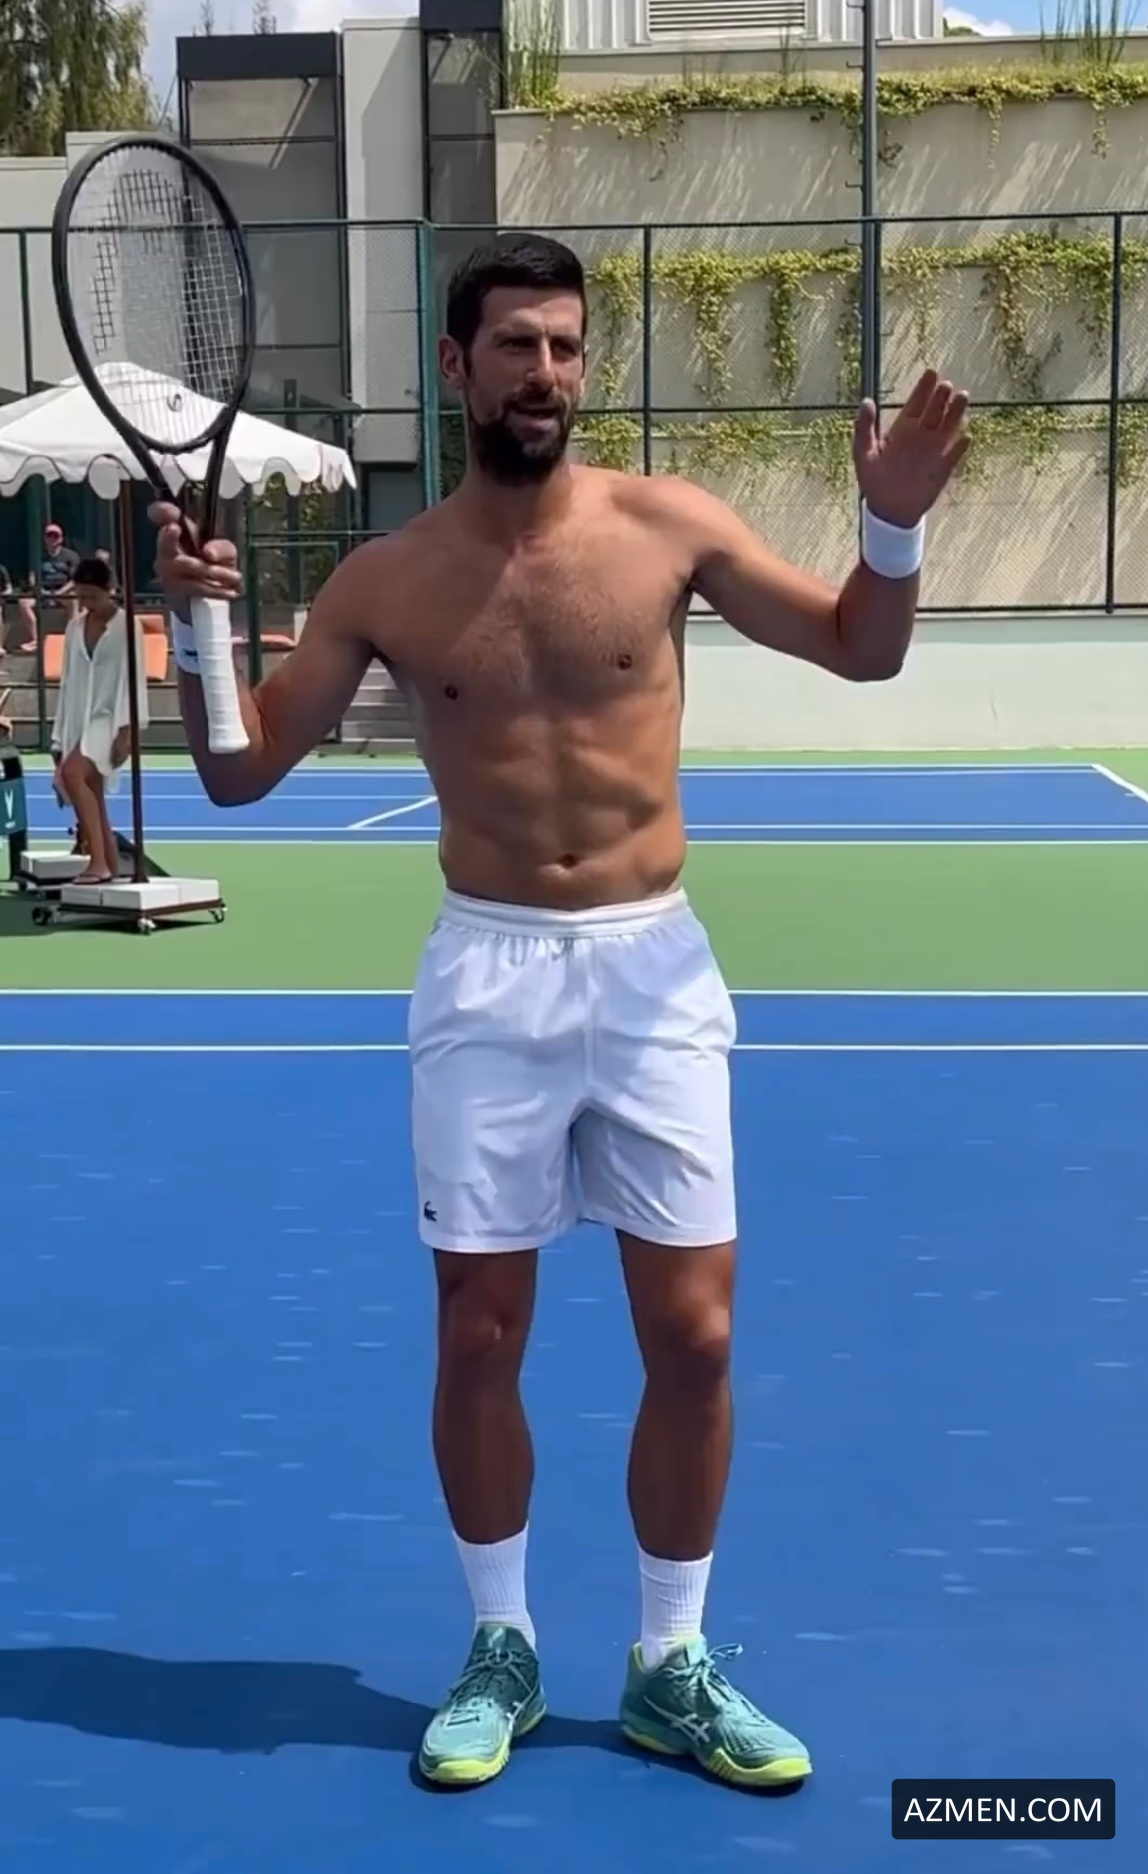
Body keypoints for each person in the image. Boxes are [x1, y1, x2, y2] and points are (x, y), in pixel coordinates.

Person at [150, 233, 969, 1793]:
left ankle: (670, 1661)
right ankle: (501, 1643)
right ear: (454, 365)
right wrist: (194, 623)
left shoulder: (667, 527)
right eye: (517, 345)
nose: (546, 372)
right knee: (478, 1333)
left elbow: (862, 647)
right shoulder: (384, 579)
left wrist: (891, 521)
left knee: (696, 1337)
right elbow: (236, 769)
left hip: (654, 973)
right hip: (488, 976)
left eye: (566, 346)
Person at [50, 555, 147, 885]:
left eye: (93, 595)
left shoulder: (127, 626)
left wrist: (126, 732)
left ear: (110, 590)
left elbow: (134, 680)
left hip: (110, 719)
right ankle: (111, 864)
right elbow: (67, 682)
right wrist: (58, 738)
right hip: (79, 719)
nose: (87, 603)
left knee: (73, 774)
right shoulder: (74, 627)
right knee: (90, 790)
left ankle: (98, 862)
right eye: (82, 596)